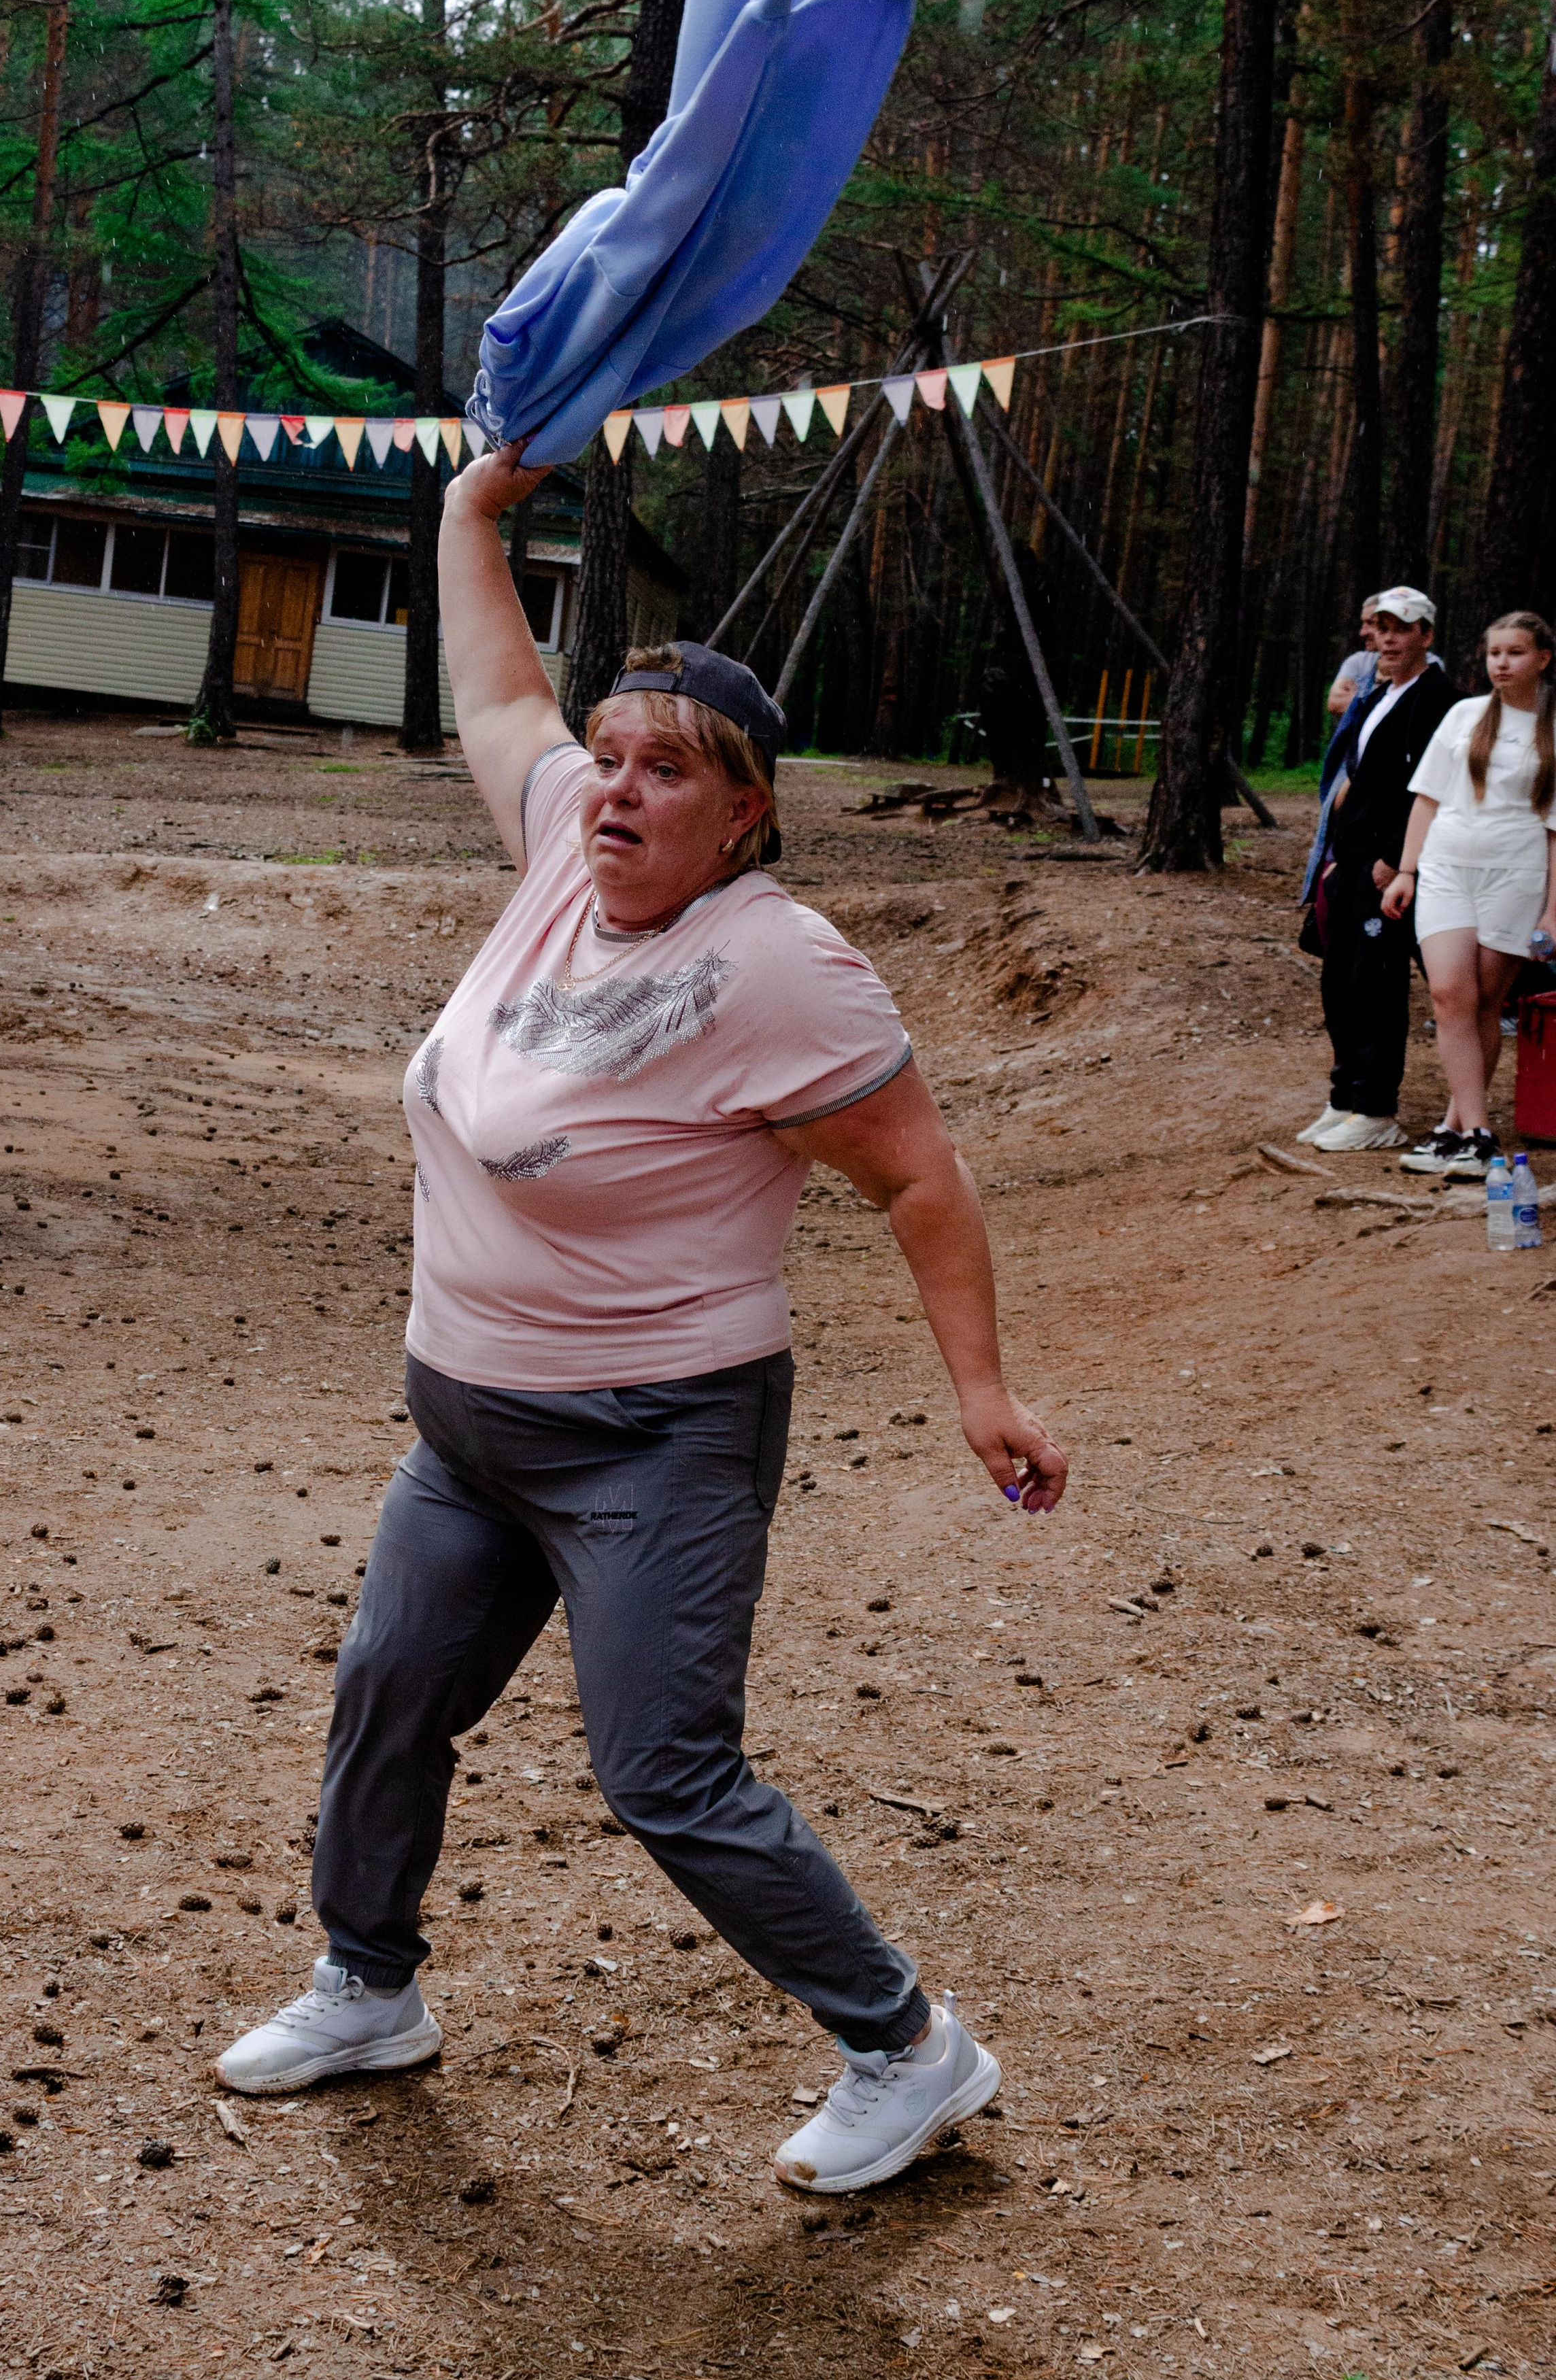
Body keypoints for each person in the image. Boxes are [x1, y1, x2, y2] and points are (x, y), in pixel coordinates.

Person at [217, 441, 1068, 2200]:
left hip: (650, 1441)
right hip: (469, 1428)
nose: (613, 792)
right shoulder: (556, 857)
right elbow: (492, 687)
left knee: (666, 1769)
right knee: (388, 1694)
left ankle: (907, 2047)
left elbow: (921, 1178)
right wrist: (469, 510)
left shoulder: (777, 964)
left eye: (664, 771)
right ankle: (369, 1988)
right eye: (606, 758)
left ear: (743, 810)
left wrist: (980, 1390)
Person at [1387, 611, 1556, 1177]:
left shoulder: (1553, 726)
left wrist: (1554, 911)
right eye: (1494, 653)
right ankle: (1479, 1132)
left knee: (1486, 1000)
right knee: (1449, 995)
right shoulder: (1464, 714)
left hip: (1516, 874)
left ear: (1543, 659)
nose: (1502, 663)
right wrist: (1407, 871)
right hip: (1445, 867)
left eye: (1516, 653)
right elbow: (1427, 798)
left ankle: (1455, 1130)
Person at [1298, 585, 1456, 1152]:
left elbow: (1427, 792)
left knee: (1376, 984)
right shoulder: (1377, 696)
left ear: (1426, 636)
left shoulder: (1437, 701)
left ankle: (1376, 1108)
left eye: (1402, 628)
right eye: (1380, 627)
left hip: (1388, 867)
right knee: (1338, 980)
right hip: (1351, 861)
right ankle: (1345, 1097)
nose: (1388, 638)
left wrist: (1396, 859)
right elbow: (1358, 781)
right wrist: (1335, 857)